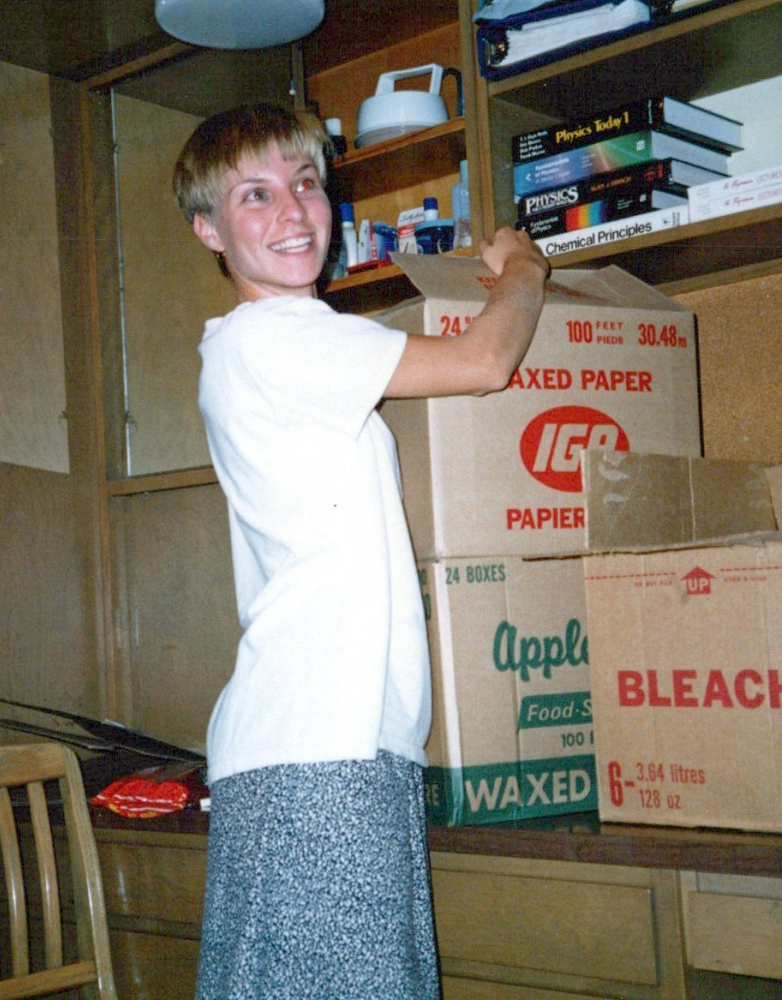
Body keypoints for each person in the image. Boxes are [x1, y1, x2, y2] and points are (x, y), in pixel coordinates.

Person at [173, 103, 549, 1000]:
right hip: (319, 748)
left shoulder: (267, 348)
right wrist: (526, 268)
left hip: (319, 746)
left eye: (306, 184)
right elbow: (485, 362)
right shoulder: (280, 337)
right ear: (208, 229)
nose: (293, 211)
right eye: (255, 194)